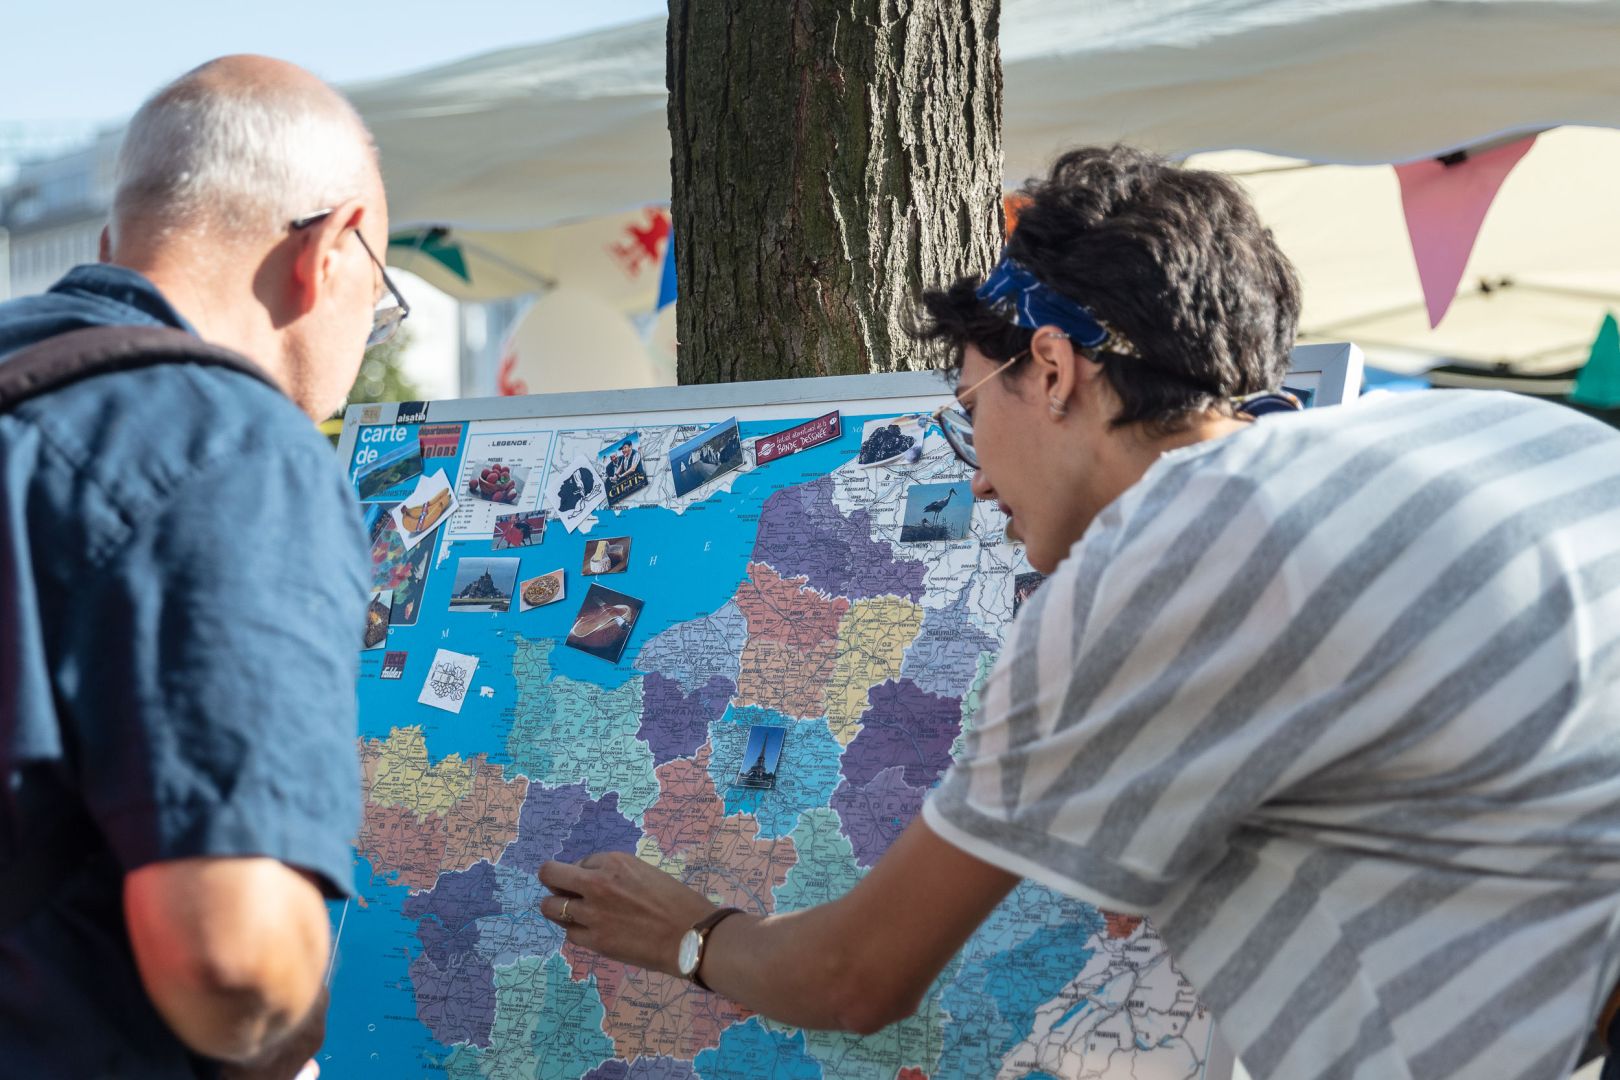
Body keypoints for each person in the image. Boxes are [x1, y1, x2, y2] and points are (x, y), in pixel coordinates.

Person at [536, 146, 1620, 1080]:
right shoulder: (1509, 433)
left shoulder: (1149, 568)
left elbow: (860, 976)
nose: (973, 480)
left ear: (1051, 370)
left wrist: (691, 935)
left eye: (969, 412)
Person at [0, 57, 398, 1078]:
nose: (369, 334)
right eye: (382, 298)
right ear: (330, 247)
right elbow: (233, 964)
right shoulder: (236, 449)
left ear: (109, 248)